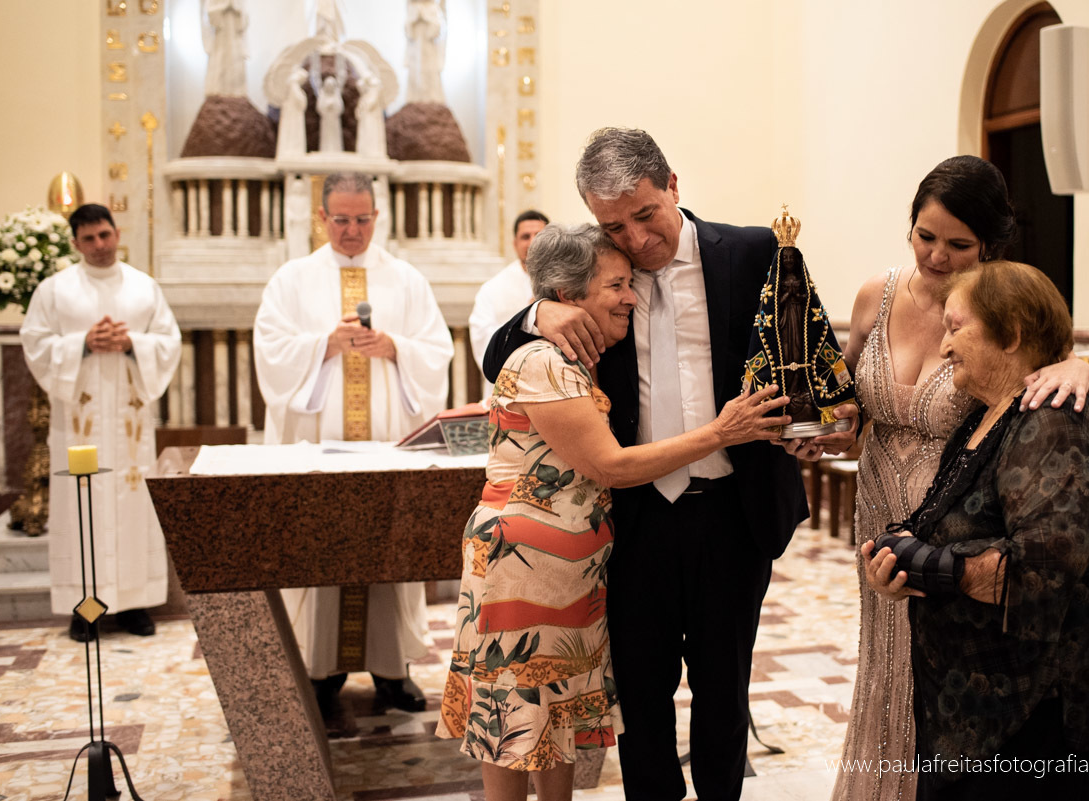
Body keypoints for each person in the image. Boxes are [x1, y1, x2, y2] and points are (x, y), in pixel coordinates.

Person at [482, 128, 810, 801]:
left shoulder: (749, 252)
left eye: (644, 214)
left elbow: (804, 344)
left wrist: (817, 425)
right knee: (639, 693)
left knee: (724, 686)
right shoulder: (600, 275)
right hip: (634, 517)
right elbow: (497, 358)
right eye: (613, 226)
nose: (633, 238)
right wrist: (538, 312)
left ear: (673, 188)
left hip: (731, 511)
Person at [793, 156, 1089, 801]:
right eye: (925, 236)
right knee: (885, 663)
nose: (937, 256)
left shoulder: (1002, 312)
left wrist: (1082, 372)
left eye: (958, 244)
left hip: (966, 521)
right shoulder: (875, 296)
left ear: (990, 246)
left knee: (947, 672)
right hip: (885, 508)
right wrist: (835, 427)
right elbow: (843, 397)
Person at [862, 261, 1089, 799]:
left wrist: (924, 564)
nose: (943, 347)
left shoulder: (1052, 418)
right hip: (975, 709)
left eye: (956, 328)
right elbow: (941, 514)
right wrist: (894, 554)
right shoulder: (984, 413)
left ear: (1011, 335)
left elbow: (1038, 570)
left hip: (1037, 713)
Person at [253, 172, 454, 716]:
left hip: (387, 449)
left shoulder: (406, 279)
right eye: (340, 219)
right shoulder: (292, 280)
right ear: (321, 218)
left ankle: (393, 671)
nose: (352, 230)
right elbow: (270, 353)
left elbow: (437, 351)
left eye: (362, 219)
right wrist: (325, 344)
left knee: (390, 552)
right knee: (324, 551)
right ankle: (323, 670)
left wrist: (394, 347)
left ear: (376, 216)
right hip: (319, 455)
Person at [20, 203, 182, 642]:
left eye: (105, 235)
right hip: (79, 425)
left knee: (132, 511)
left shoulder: (143, 287)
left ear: (117, 233)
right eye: (89, 239)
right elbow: (34, 343)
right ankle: (85, 610)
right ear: (75, 243)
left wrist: (132, 342)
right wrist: (83, 344)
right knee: (80, 511)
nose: (100, 245)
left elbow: (169, 341)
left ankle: (134, 605)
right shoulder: (54, 291)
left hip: (129, 428)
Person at [469, 209, 548, 398]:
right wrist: (526, 320)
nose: (532, 242)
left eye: (539, 235)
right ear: (515, 244)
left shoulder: (570, 281)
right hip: (511, 390)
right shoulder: (493, 289)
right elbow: (482, 339)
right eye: (525, 236)